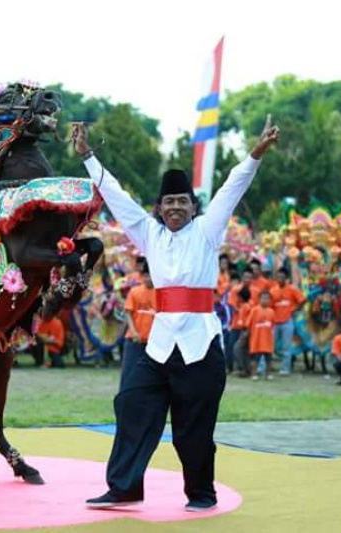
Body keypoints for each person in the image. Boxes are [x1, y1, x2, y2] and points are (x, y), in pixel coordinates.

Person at [75, 116, 280, 511]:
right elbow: (116, 196)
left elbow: (233, 187)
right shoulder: (148, 233)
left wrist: (257, 152)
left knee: (193, 430)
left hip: (200, 345)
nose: (174, 207)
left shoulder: (207, 230)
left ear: (193, 206)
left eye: (181, 201)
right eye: (168, 202)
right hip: (159, 343)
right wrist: (86, 155)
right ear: (159, 208)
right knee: (132, 406)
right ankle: (124, 487)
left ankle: (201, 493)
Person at [123, 261, 156, 380]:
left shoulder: (162, 293)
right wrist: (133, 331)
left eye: (151, 275)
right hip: (134, 340)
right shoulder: (135, 291)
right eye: (146, 276)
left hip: (154, 342)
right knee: (129, 373)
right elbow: (128, 312)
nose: (148, 279)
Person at [270, 267, 306, 375]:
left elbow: (302, 300)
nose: (280, 279)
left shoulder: (292, 289)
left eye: (282, 277)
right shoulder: (273, 290)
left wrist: (294, 310)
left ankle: (285, 369)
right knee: (271, 346)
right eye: (278, 277)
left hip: (287, 321)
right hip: (275, 322)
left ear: (286, 278)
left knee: (286, 347)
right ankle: (267, 367)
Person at [248, 290, 275, 380]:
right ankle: (254, 374)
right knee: (255, 359)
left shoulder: (271, 311)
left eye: (267, 299)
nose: (265, 300)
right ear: (259, 299)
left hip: (268, 340)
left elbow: (273, 326)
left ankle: (268, 374)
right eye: (263, 298)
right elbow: (248, 323)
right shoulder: (254, 310)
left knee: (269, 359)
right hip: (257, 340)